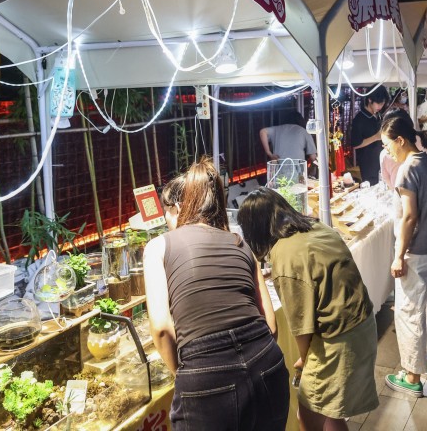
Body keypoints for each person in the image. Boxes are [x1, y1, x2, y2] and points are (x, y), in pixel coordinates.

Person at [144, 160, 289, 430]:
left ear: (179, 207)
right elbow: (270, 326)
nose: (166, 221)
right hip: (267, 362)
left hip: (204, 370)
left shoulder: (157, 247)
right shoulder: (240, 243)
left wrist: (188, 374)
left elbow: (162, 329)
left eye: (166, 212)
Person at [237, 189, 379, 431]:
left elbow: (301, 323)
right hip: (363, 323)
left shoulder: (285, 255)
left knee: (309, 414)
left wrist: (304, 359)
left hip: (339, 338)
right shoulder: (315, 227)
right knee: (330, 411)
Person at [380, 112, 427, 397]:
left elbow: (409, 217)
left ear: (400, 140)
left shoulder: (407, 169)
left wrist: (398, 256)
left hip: (418, 253)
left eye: (387, 145)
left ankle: (412, 377)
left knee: (409, 313)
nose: (386, 150)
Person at [350, 87, 389, 187]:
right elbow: (355, 144)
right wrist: (376, 137)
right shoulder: (359, 119)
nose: (380, 106)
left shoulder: (378, 115)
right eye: (378, 103)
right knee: (371, 189)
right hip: (368, 164)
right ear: (370, 100)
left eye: (382, 103)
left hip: (381, 161)